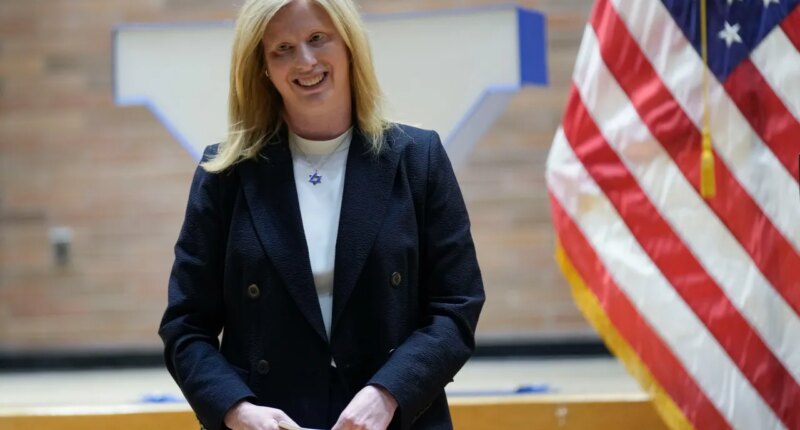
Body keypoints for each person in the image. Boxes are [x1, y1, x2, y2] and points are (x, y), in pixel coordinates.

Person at [158, 0, 485, 429]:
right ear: (263, 68)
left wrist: (388, 394)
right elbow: (185, 327)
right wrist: (238, 411)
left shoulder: (418, 159)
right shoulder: (225, 173)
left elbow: (455, 307)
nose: (305, 61)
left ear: (349, 46)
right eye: (283, 49)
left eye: (317, 39)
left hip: (396, 420)